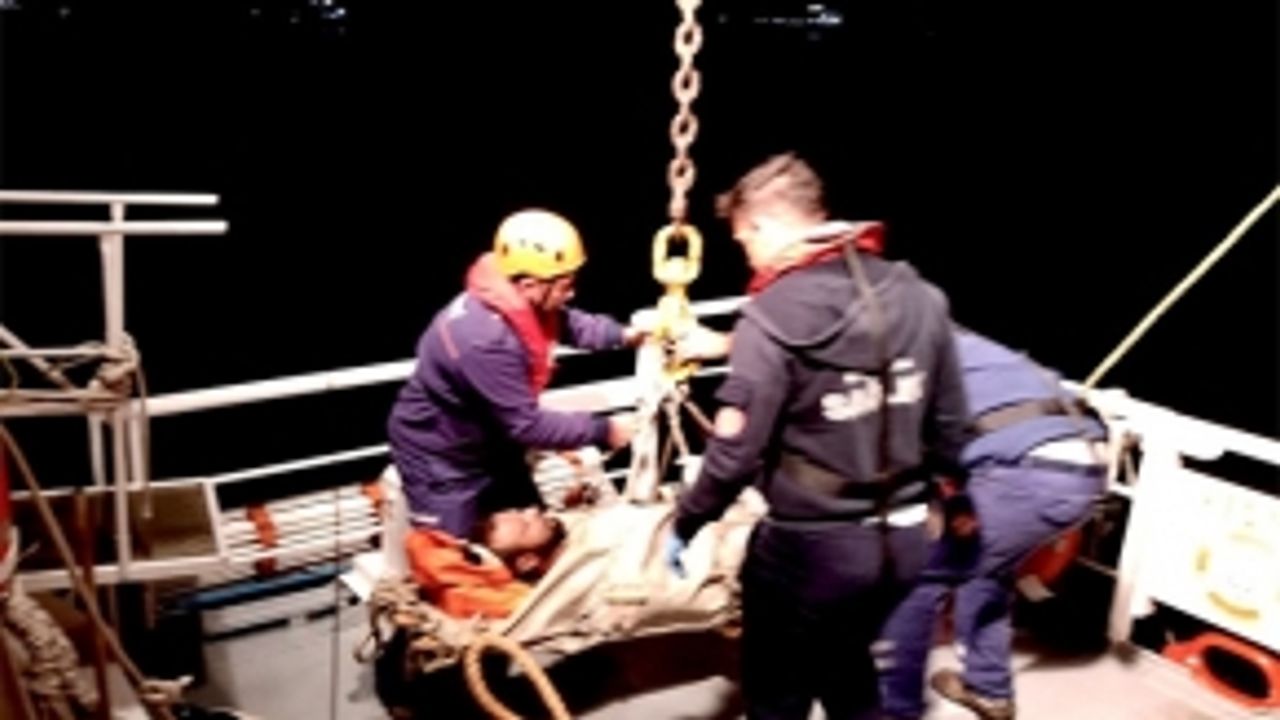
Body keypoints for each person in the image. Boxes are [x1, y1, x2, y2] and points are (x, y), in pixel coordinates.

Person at [665, 152, 972, 720]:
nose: (747, 255)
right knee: (845, 662)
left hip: (810, 552)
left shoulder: (770, 314)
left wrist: (687, 522)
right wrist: (948, 504)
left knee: (777, 693)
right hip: (905, 544)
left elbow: (734, 454)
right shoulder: (920, 295)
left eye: (743, 241)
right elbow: (952, 427)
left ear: (762, 226)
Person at [876, 327, 1109, 720]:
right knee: (986, 573)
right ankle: (989, 691)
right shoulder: (965, 345)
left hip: (1030, 474)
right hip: (1086, 472)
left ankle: (894, 709)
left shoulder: (904, 353)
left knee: (919, 577)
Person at [386, 208, 641, 543]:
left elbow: (566, 322)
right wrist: (605, 430)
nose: (572, 293)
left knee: (536, 535)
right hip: (440, 458)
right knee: (457, 557)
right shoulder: (484, 339)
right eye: (566, 285)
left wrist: (625, 334)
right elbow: (527, 425)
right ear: (530, 285)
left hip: (490, 442)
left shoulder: (517, 298)